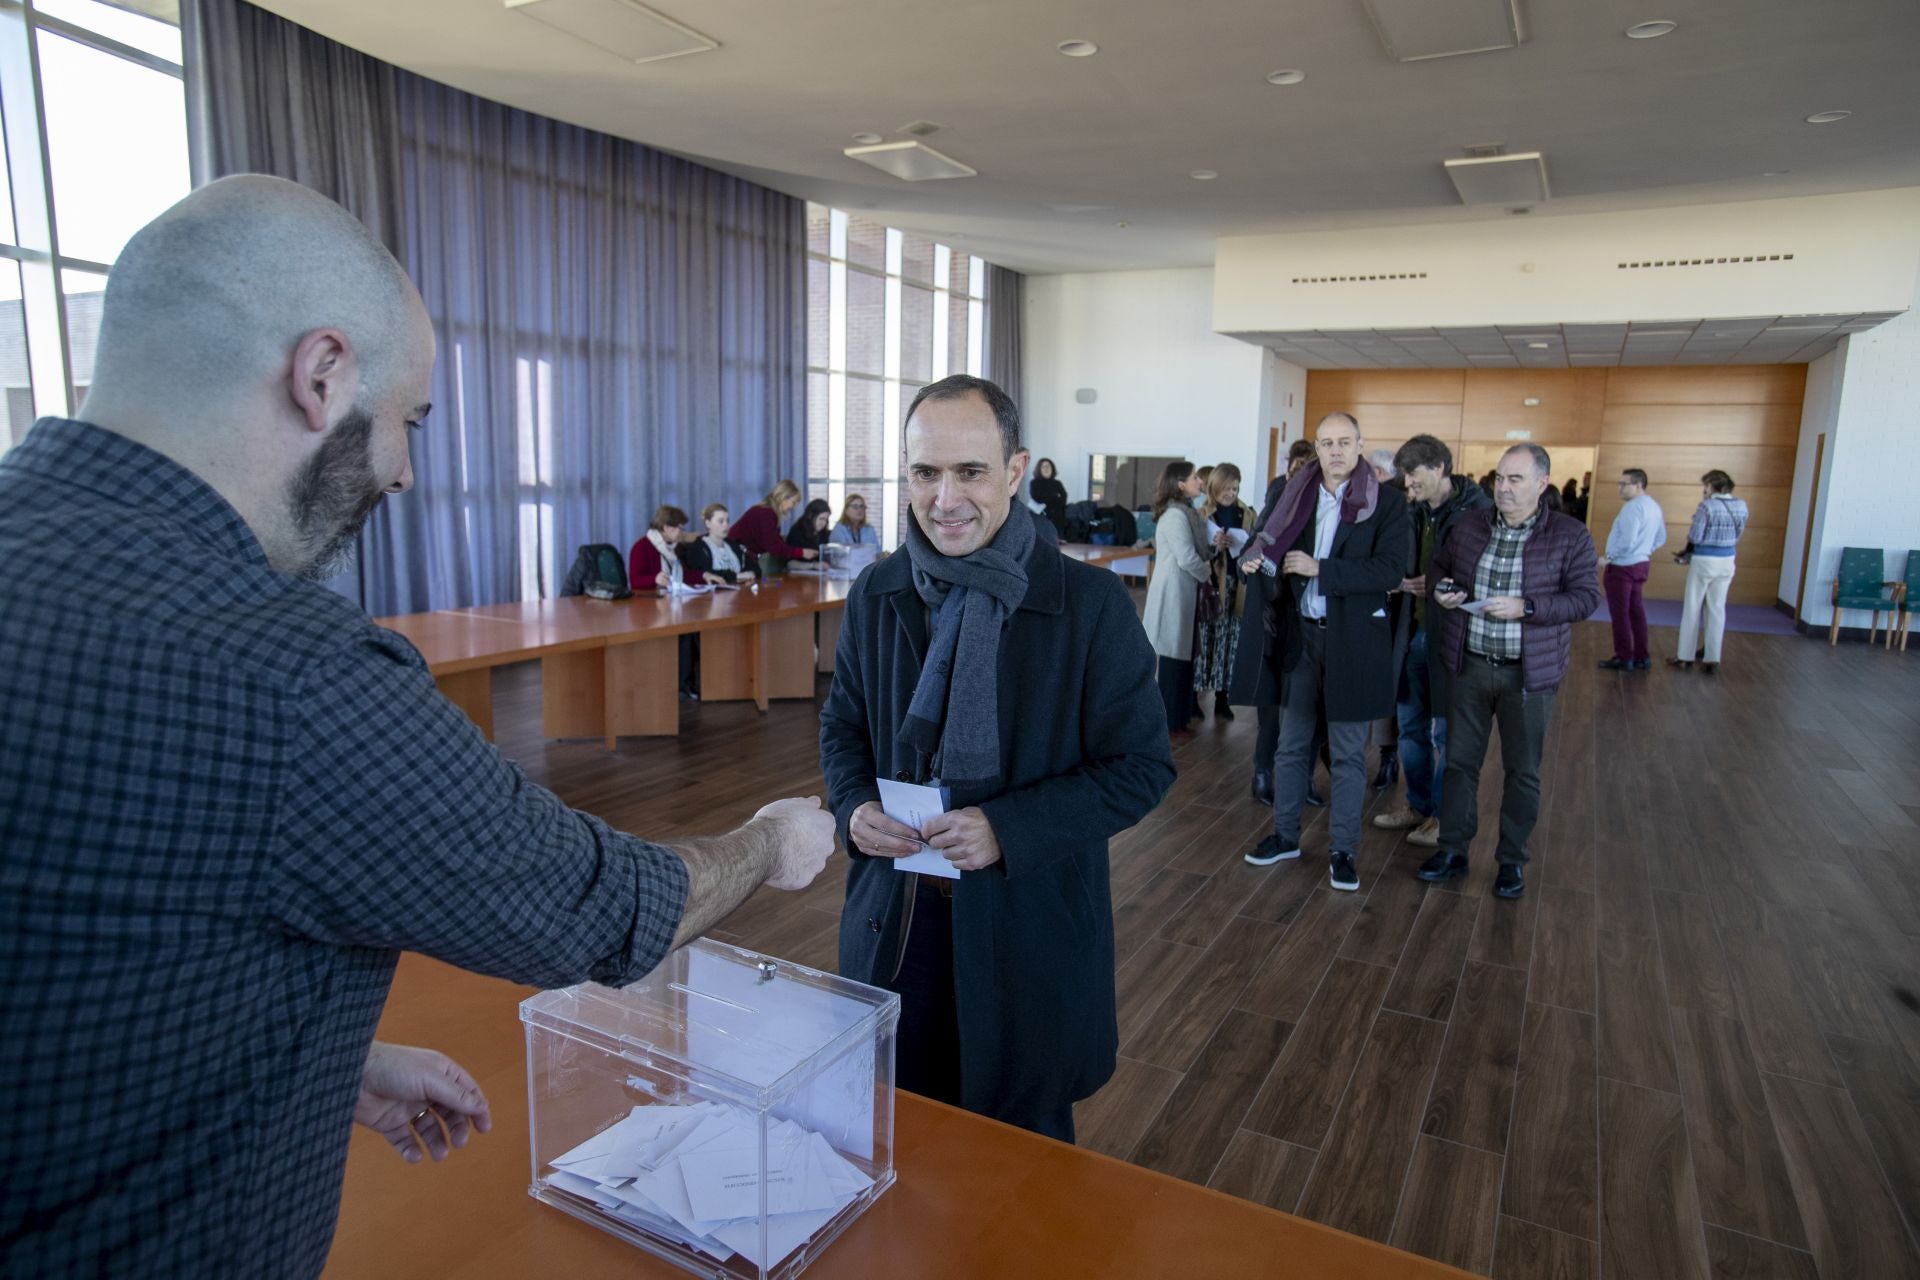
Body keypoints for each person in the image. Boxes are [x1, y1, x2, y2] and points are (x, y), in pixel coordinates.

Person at [0, 176, 837, 1277]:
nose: (401, 469)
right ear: (321, 374)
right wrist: (769, 840)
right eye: (410, 421)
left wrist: (324, 1060)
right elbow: (597, 913)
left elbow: (78, 944)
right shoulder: (291, 673)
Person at [819, 373, 1173, 1142]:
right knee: (896, 1138)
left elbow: (1142, 768)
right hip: (898, 920)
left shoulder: (1090, 605)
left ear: (1015, 471)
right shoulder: (878, 592)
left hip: (1027, 931)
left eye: (970, 472)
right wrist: (853, 808)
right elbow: (843, 726)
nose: (944, 498)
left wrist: (1006, 827)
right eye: (925, 473)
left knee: (1020, 1170)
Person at [1419, 444, 1601, 899]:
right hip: (1471, 666)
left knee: (1523, 772)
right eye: (1499, 478)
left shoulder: (1569, 535)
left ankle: (1511, 862)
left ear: (1541, 484)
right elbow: (1440, 571)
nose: (1503, 487)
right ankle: (1453, 849)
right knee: (1460, 764)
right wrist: (1442, 591)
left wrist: (1530, 607)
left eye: (1515, 479)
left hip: (1529, 675)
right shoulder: (1469, 526)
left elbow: (1585, 599)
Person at [1240, 413, 1409, 894]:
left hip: (1354, 643)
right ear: (1317, 447)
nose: (1335, 451)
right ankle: (1286, 835)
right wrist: (1258, 561)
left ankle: (1343, 851)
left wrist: (1322, 569)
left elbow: (1391, 571)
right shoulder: (1296, 497)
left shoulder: (1388, 503)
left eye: (1344, 442)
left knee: (1351, 755)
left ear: (1360, 445)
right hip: (1302, 638)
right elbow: (1267, 546)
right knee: (1291, 745)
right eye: (1327, 442)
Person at [1373, 436, 1492, 849]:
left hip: (1453, 636)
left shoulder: (1478, 511)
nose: (1408, 483)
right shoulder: (1412, 507)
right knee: (1410, 726)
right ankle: (1419, 806)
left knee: (1446, 732)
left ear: (1440, 467)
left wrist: (1446, 585)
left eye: (1414, 474)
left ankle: (1442, 816)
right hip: (1412, 631)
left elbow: (1486, 575)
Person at [1230, 439, 1328, 808]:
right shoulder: (1279, 507)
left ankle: (1300, 780)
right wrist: (1251, 561)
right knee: (1272, 709)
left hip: (1309, 623)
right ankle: (1261, 775)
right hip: (1277, 622)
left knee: (1310, 713)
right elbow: (1248, 556)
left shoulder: (1325, 513)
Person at [1142, 461, 1214, 742]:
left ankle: (1179, 719)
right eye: (1195, 477)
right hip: (1173, 593)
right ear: (1181, 483)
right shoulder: (1175, 515)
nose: (1200, 481)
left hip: (1183, 591)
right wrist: (1206, 572)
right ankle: (1170, 723)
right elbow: (1186, 557)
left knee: (1181, 658)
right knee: (1172, 660)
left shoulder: (1187, 513)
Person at [1669, 470, 1749, 673]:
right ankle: (1712, 658)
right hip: (1727, 559)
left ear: (1712, 486)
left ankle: (1685, 656)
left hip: (1704, 560)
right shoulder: (1741, 505)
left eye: (1705, 486)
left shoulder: (1706, 506)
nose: (1703, 490)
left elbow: (1695, 536)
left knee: (1692, 607)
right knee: (1717, 608)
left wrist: (1685, 554)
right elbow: (1739, 533)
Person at [1194, 462, 1250, 721]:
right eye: (1226, 488)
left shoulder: (1247, 514)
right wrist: (1215, 545)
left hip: (1236, 585)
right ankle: (1195, 696)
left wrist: (1241, 545)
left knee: (1230, 642)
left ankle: (1222, 698)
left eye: (1235, 488)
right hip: (1210, 586)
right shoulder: (1203, 513)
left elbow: (1259, 545)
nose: (1231, 493)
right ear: (1214, 487)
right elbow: (1196, 551)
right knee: (1206, 640)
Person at [1599, 467, 1666, 670]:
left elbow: (1627, 540)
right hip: (1641, 564)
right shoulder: (1654, 506)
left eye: (1623, 484)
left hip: (1622, 567)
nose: (1619, 488)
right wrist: (1644, 551)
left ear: (1638, 485)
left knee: (1620, 614)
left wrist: (1608, 557)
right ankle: (1641, 656)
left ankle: (1624, 656)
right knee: (1636, 611)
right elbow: (1661, 537)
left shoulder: (1632, 508)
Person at [731, 479, 819, 570]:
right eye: (793, 502)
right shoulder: (766, 514)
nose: (793, 507)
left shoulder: (766, 512)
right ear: (784, 497)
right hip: (734, 556)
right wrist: (801, 553)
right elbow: (774, 547)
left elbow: (776, 542)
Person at [680, 502, 755, 585]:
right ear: (708, 523)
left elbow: (754, 568)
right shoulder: (697, 547)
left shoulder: (734, 545)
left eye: (727, 521)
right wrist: (736, 576)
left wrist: (751, 573)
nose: (726, 525)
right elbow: (705, 574)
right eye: (721, 521)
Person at [629, 504, 689, 590]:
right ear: (667, 528)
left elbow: (684, 575)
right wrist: (655, 578)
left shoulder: (676, 547)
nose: (682, 533)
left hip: (669, 597)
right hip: (649, 600)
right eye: (680, 528)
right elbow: (635, 581)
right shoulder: (641, 547)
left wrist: (704, 575)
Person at [1028, 456, 1068, 533]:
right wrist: (1055, 497)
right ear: (1039, 469)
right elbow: (1037, 498)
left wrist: (1048, 498)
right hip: (1040, 514)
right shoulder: (1034, 483)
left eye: (1048, 466)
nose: (1046, 469)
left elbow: (1064, 497)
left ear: (1052, 469)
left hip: (1057, 516)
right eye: (1043, 467)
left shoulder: (1057, 483)